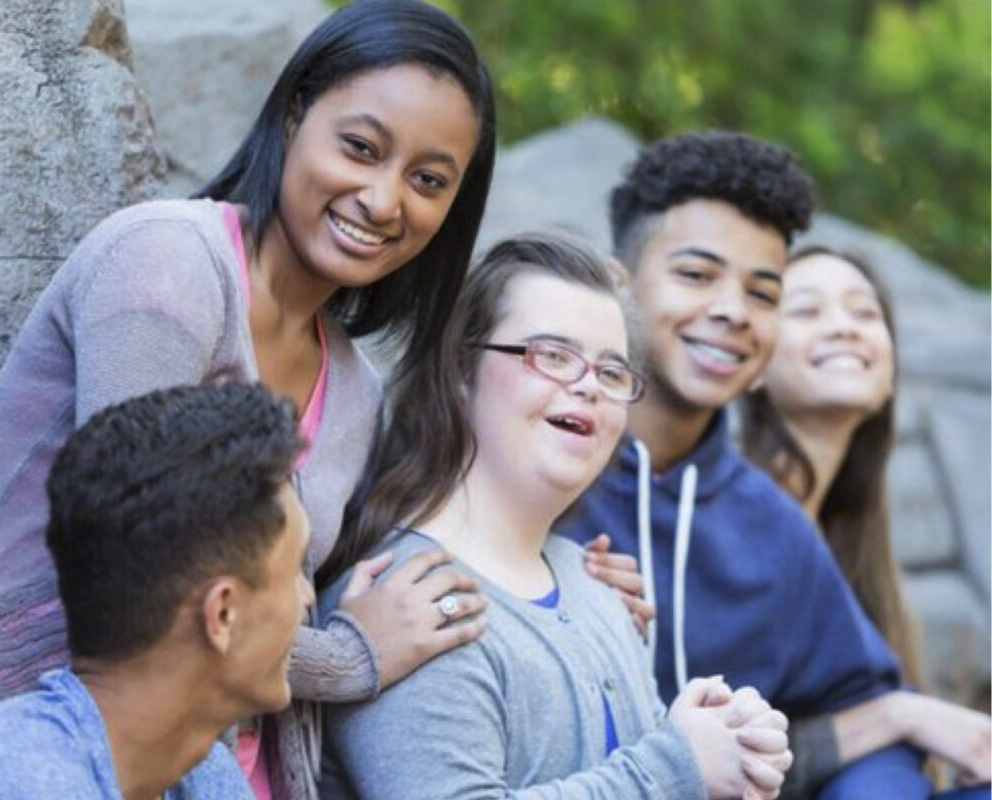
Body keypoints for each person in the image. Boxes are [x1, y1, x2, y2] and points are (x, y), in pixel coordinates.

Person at [0, 2, 495, 797]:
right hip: (49, 741)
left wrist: (587, 576)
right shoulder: (167, 268)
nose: (385, 201)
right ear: (293, 113)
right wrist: (350, 658)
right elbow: (144, 581)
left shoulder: (355, 388)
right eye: (359, 148)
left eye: (428, 181)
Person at [317, 234, 794, 800]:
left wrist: (727, 751)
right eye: (553, 356)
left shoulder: (596, 588)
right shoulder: (408, 600)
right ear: (461, 369)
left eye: (612, 373)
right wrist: (680, 764)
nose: (588, 386)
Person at [557, 130, 936, 798]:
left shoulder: (771, 528)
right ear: (617, 284)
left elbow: (870, 713)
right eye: (696, 275)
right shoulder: (537, 466)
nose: (732, 311)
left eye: (763, 293)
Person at [0, 382, 311, 799]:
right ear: (222, 614)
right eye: (295, 570)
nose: (308, 596)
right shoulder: (11, 780)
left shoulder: (207, 778)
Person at [739, 246, 991, 797]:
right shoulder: (721, 526)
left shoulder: (853, 540)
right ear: (751, 364)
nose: (844, 328)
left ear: (893, 371)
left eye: (865, 312)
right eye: (806, 311)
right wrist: (897, 716)